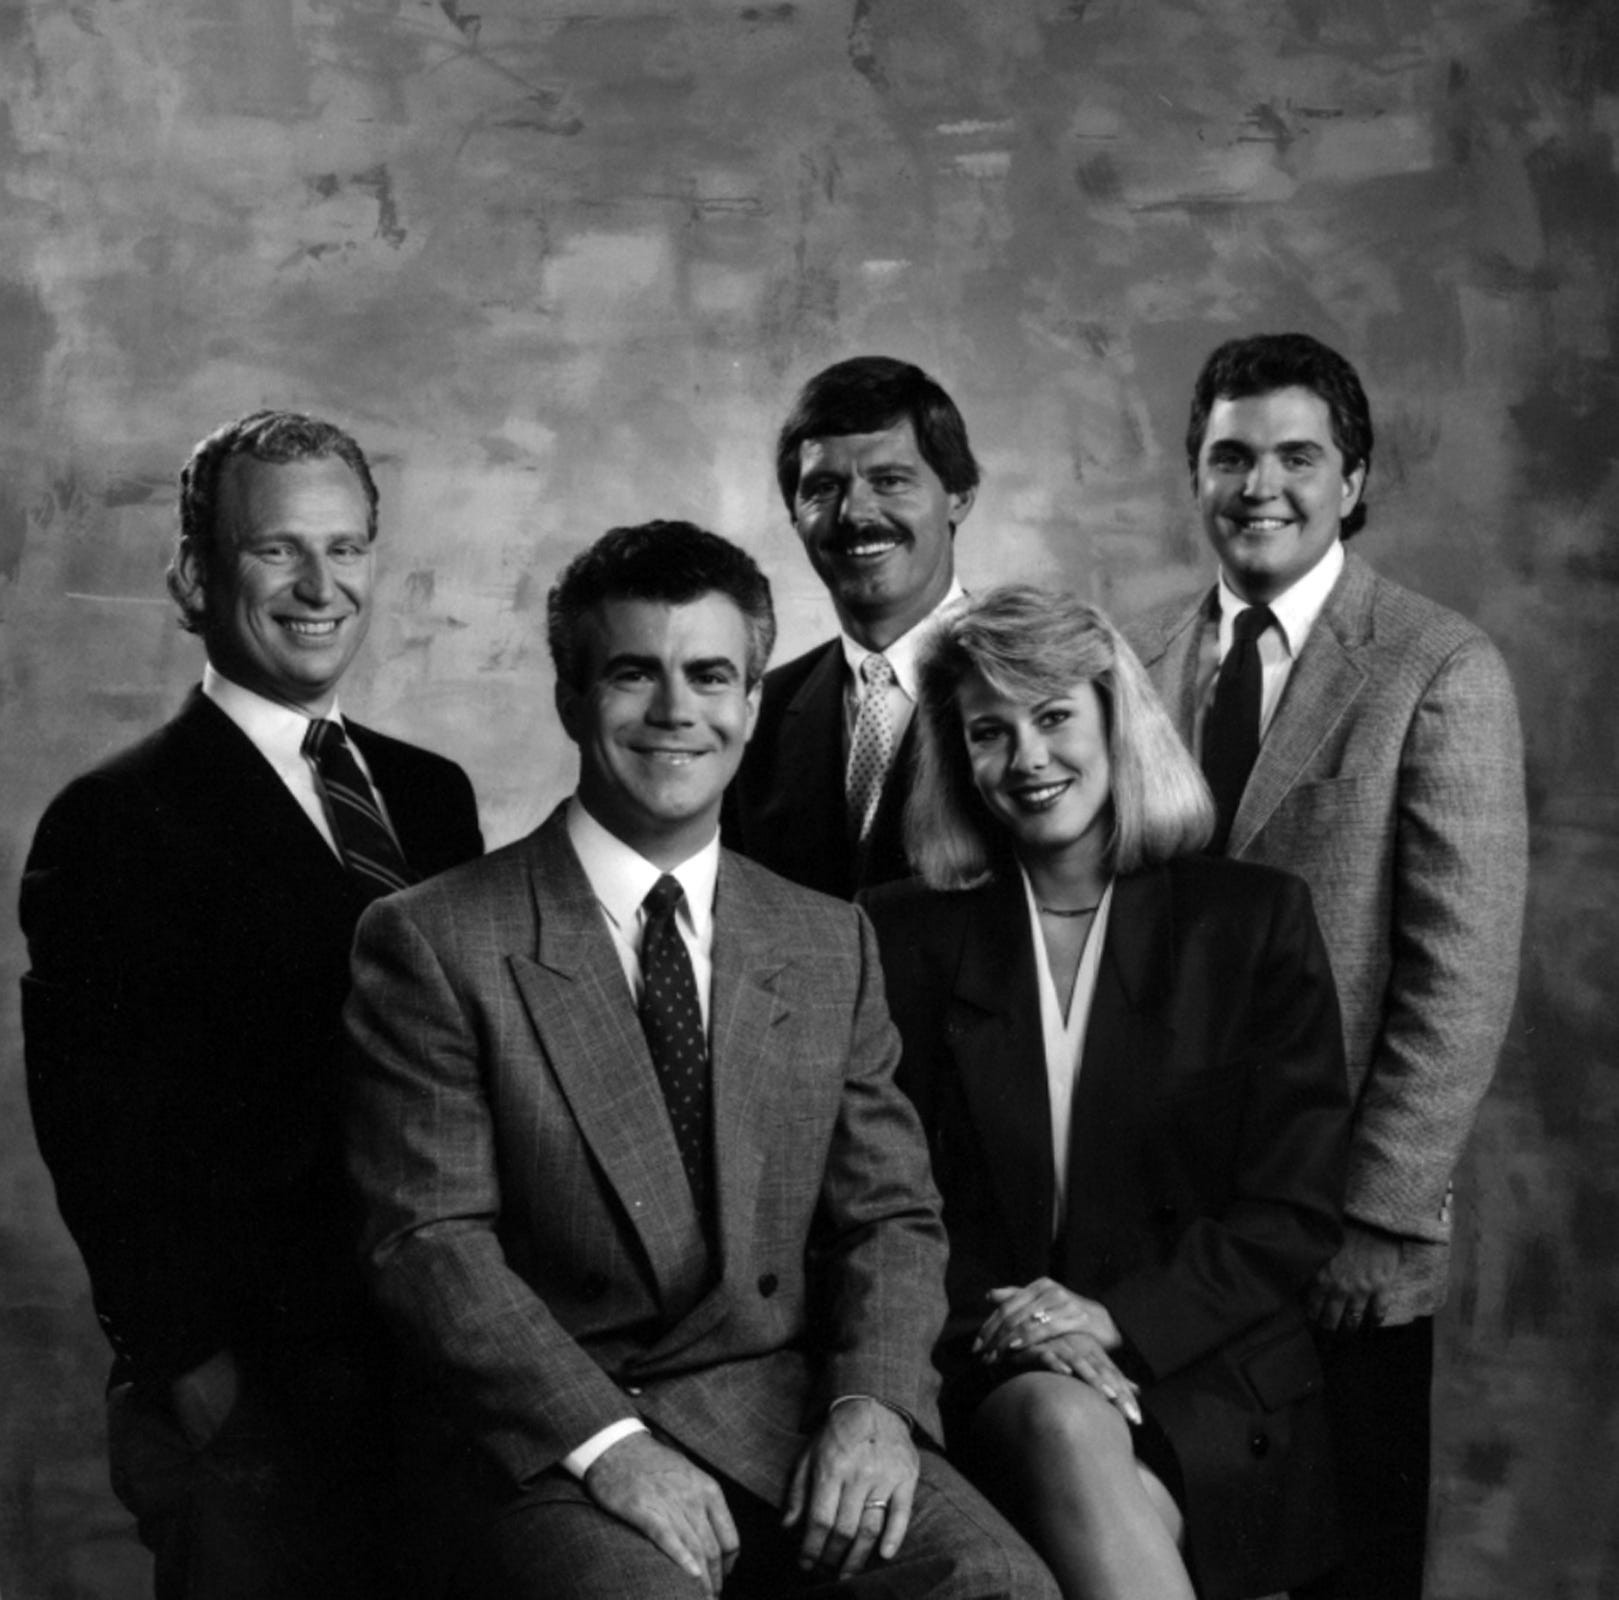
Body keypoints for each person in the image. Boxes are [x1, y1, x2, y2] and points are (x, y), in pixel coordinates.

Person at [343, 521, 1057, 1600]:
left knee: (1000, 1585)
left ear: (750, 704)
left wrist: (871, 1407)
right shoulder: (436, 937)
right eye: (635, 673)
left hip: (787, 1410)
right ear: (571, 697)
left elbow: (890, 1216)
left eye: (711, 675)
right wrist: (608, 1447)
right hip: (559, 1432)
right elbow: (430, 1243)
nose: (677, 710)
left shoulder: (826, 937)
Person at [19, 410, 484, 1599]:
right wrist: (192, 1370)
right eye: (278, 549)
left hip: (434, 1367)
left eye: (347, 547)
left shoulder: (430, 798)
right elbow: (94, 1131)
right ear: (195, 575)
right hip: (255, 1396)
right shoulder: (113, 822)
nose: (321, 585)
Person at [1126, 333, 1528, 1599]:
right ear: (1193, 475)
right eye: (1228, 456)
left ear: (1351, 479)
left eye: (1296, 456)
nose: (1260, 486)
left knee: (1345, 1560)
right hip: (1167, 1228)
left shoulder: (1434, 666)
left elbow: (1457, 976)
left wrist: (1378, 1214)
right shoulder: (1134, 668)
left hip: (1346, 1232)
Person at [864, 585, 1350, 1600]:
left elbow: (1291, 1211)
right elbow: (880, 1201)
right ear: (959, 758)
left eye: (1052, 718)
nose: (1027, 759)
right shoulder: (901, 938)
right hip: (992, 1360)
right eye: (989, 733)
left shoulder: (1249, 923)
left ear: (1113, 719)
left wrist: (1107, 1315)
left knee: (1101, 1479)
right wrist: (1036, 1328)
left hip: (1203, 1365)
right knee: (1058, 1419)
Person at [723, 354, 979, 896]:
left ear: (959, 496)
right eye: (823, 488)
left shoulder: (1042, 689)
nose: (855, 513)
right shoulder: (754, 717)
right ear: (794, 514)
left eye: (889, 480)